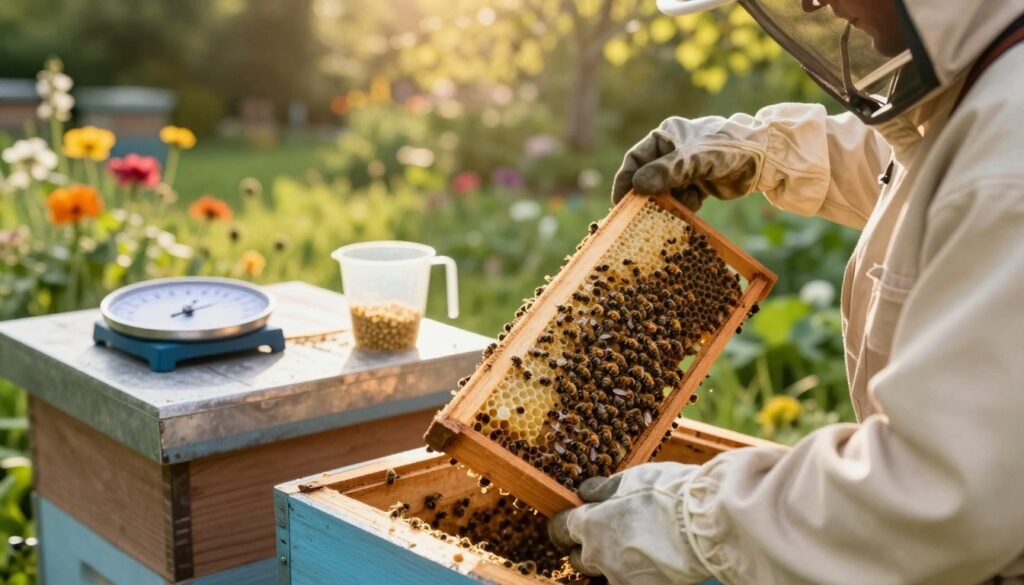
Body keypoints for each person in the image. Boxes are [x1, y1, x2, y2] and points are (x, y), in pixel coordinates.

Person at [547, 1, 1024, 583]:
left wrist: (688, 523)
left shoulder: (1011, 164)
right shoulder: (996, 83)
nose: (811, 4)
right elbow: (928, 164)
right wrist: (763, 149)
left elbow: (940, 499)